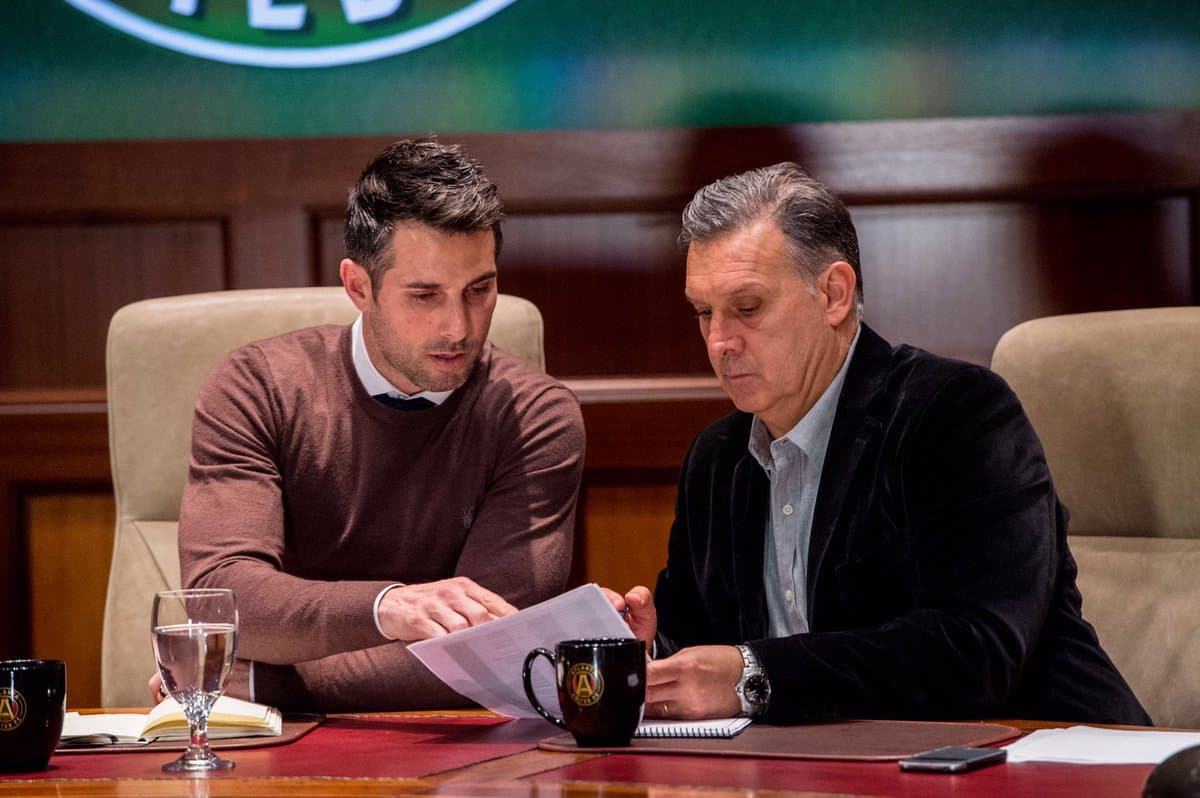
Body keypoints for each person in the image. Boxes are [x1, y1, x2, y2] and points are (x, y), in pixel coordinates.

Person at [607, 162, 1151, 726]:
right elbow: (704, 655)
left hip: (1045, 757)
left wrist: (754, 675)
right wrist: (645, 647)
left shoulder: (956, 415)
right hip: (817, 773)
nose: (720, 341)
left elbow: (976, 653)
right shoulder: (717, 460)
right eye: (703, 312)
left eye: (747, 309)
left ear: (834, 294)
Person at [168, 139, 585, 712]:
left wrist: (268, 681)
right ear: (358, 287)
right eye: (424, 295)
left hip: (457, 758)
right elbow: (222, 599)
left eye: (479, 290)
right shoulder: (256, 387)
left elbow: (493, 651)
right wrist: (386, 608)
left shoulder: (534, 415)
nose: (457, 327)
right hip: (276, 752)